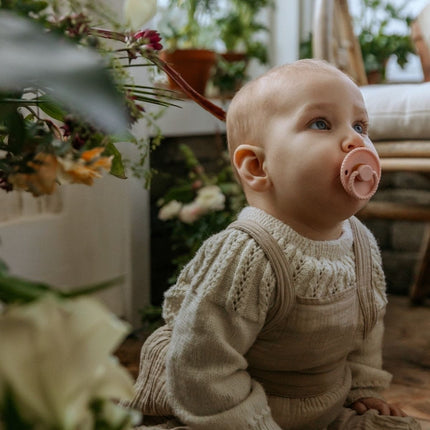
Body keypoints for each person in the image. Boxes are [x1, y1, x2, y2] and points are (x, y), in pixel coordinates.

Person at [131, 59, 421, 430]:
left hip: (325, 410)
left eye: (361, 126)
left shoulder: (360, 242)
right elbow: (201, 367)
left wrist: (363, 388)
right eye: (321, 123)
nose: (355, 141)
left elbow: (365, 324)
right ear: (256, 166)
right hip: (222, 414)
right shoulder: (248, 254)